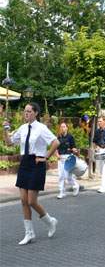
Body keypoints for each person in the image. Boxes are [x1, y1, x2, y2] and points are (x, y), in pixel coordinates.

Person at [3, 102, 60, 245]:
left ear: (36, 113)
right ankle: (29, 233)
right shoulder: (22, 128)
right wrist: (5, 129)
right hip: (24, 164)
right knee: (23, 200)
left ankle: (50, 221)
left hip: (36, 164)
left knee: (31, 201)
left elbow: (56, 142)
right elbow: (9, 142)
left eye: (29, 111)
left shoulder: (41, 128)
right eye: (25, 111)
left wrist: (45, 157)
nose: (26, 113)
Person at [55, 122, 80, 199]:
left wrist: (75, 150)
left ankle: (75, 186)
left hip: (68, 157)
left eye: (64, 126)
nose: (62, 128)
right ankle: (62, 192)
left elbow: (73, 147)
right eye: (61, 127)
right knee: (61, 176)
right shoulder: (58, 137)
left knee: (68, 176)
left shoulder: (70, 137)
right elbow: (55, 148)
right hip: (61, 158)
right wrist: (57, 155)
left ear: (67, 128)